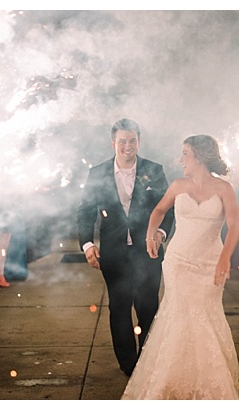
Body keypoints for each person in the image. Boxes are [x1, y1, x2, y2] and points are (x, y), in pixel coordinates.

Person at [122, 135, 239, 399]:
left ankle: (210, 378)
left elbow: (235, 226)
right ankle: (171, 377)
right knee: (178, 315)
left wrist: (225, 258)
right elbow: (158, 211)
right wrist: (150, 236)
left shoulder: (224, 189)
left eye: (185, 154)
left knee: (204, 314)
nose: (181, 160)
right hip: (178, 261)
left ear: (199, 157)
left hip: (210, 263)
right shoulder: (178, 185)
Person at [76, 118, 174, 377]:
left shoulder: (154, 170)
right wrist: (87, 244)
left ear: (139, 142)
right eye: (122, 141)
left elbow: (169, 208)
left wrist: (161, 234)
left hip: (148, 251)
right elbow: (85, 211)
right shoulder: (97, 173)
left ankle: (148, 359)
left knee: (148, 307)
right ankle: (128, 364)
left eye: (132, 141)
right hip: (114, 253)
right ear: (113, 143)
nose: (127, 146)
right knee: (119, 307)